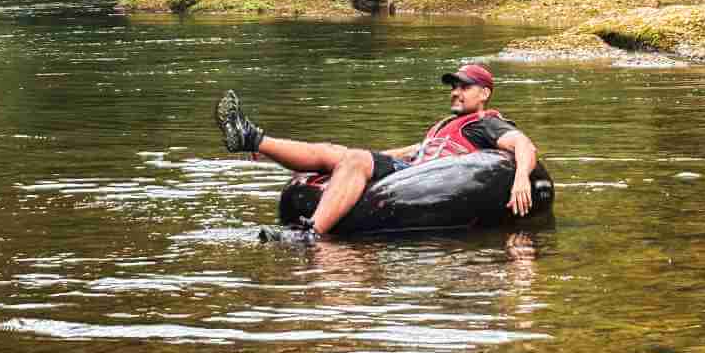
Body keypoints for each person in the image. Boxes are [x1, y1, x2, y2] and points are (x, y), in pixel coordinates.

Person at [215, 61, 538, 237]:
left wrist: (521, 177)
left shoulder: (485, 122)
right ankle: (254, 139)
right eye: (453, 87)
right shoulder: (444, 126)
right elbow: (413, 152)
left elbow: (522, 144)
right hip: (414, 170)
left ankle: (311, 234)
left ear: (484, 93)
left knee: (352, 158)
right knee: (336, 153)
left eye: (464, 87)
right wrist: (353, 159)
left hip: (431, 180)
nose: (455, 92)